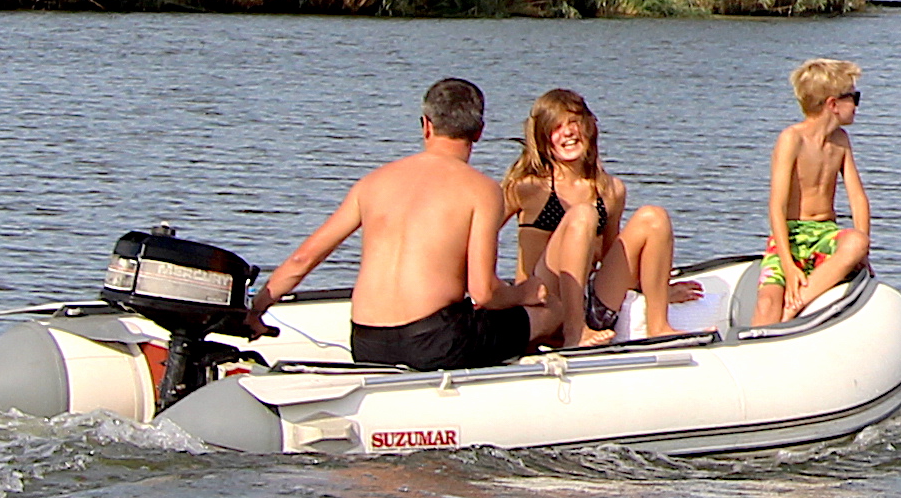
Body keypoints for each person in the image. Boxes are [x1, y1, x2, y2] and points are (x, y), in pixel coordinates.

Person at [256, 76, 530, 372]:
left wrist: (256, 310)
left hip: (367, 344)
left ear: (426, 125)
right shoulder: (482, 189)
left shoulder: (372, 183)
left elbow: (303, 258)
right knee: (538, 311)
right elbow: (483, 291)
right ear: (479, 132)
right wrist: (526, 293)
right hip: (435, 342)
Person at [502, 86, 681, 345]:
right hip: (544, 304)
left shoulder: (610, 190)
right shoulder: (528, 187)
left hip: (592, 302)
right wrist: (488, 291)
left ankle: (659, 325)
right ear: (543, 138)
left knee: (654, 217)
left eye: (574, 123)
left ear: (589, 128)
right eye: (556, 127)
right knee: (583, 215)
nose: (568, 133)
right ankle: (575, 332)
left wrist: (657, 289)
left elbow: (612, 257)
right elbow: (479, 232)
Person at [749, 56, 869, 328]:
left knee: (857, 241)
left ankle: (798, 302)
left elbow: (857, 197)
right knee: (767, 303)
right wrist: (789, 266)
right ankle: (754, 350)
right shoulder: (792, 139)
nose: (858, 106)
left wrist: (864, 251)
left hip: (825, 233)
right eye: (854, 98)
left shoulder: (840, 142)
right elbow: (777, 206)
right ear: (833, 104)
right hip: (789, 235)